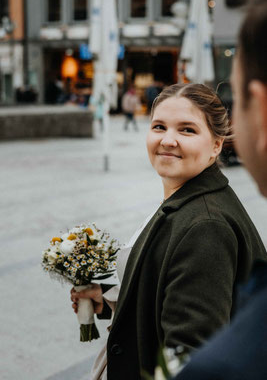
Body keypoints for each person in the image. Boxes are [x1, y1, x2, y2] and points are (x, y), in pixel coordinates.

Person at [71, 83, 266, 380]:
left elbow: (188, 356)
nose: (168, 140)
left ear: (216, 145)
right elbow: (166, 284)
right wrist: (110, 299)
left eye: (187, 130)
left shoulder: (206, 227)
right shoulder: (186, 199)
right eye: (159, 126)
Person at [173, 0, 267, 380]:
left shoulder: (229, 365)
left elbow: (189, 337)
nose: (169, 139)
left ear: (261, 113)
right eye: (158, 125)